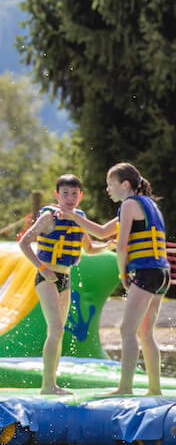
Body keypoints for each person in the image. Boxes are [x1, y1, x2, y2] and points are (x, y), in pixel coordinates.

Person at [71, 161, 169, 397]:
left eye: (110, 184)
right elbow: (104, 233)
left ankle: (125, 387)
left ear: (124, 185)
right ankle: (154, 389)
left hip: (145, 273)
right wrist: (73, 216)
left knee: (127, 330)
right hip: (162, 274)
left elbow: (122, 246)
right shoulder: (147, 204)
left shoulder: (128, 205)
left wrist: (123, 274)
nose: (107, 189)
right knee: (145, 333)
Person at [19, 173, 106, 395]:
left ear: (81, 196)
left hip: (65, 278)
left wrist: (109, 245)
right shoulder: (49, 216)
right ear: (57, 195)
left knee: (57, 333)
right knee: (56, 328)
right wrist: (42, 268)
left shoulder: (80, 218)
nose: (70, 198)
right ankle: (47, 386)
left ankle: (53, 383)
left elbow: (89, 248)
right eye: (65, 193)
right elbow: (24, 242)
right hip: (46, 278)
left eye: (74, 194)